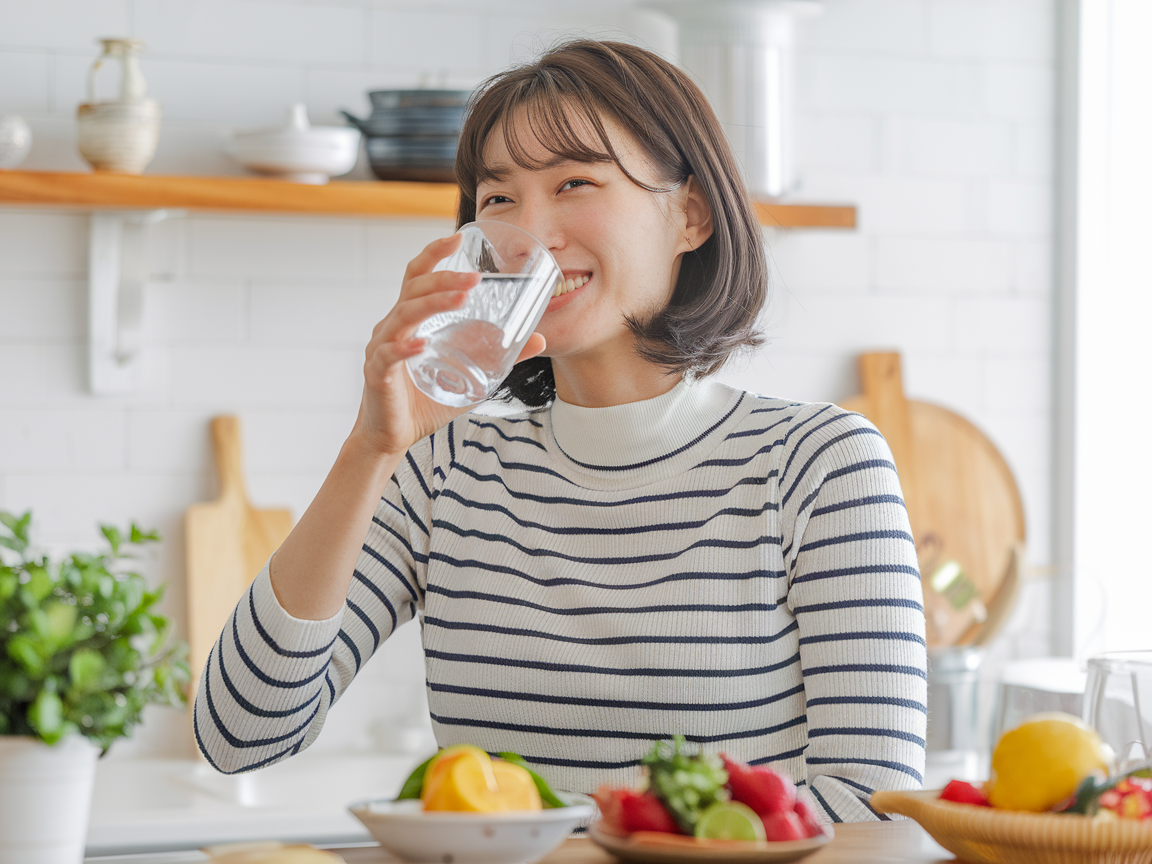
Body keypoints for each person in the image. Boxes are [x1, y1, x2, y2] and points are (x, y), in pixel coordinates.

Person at [194, 39, 927, 823]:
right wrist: (370, 449)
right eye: (498, 198)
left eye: (575, 182)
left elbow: (873, 805)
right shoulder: (442, 470)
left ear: (690, 215)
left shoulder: (817, 465)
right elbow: (239, 734)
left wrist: (600, 838)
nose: (529, 237)